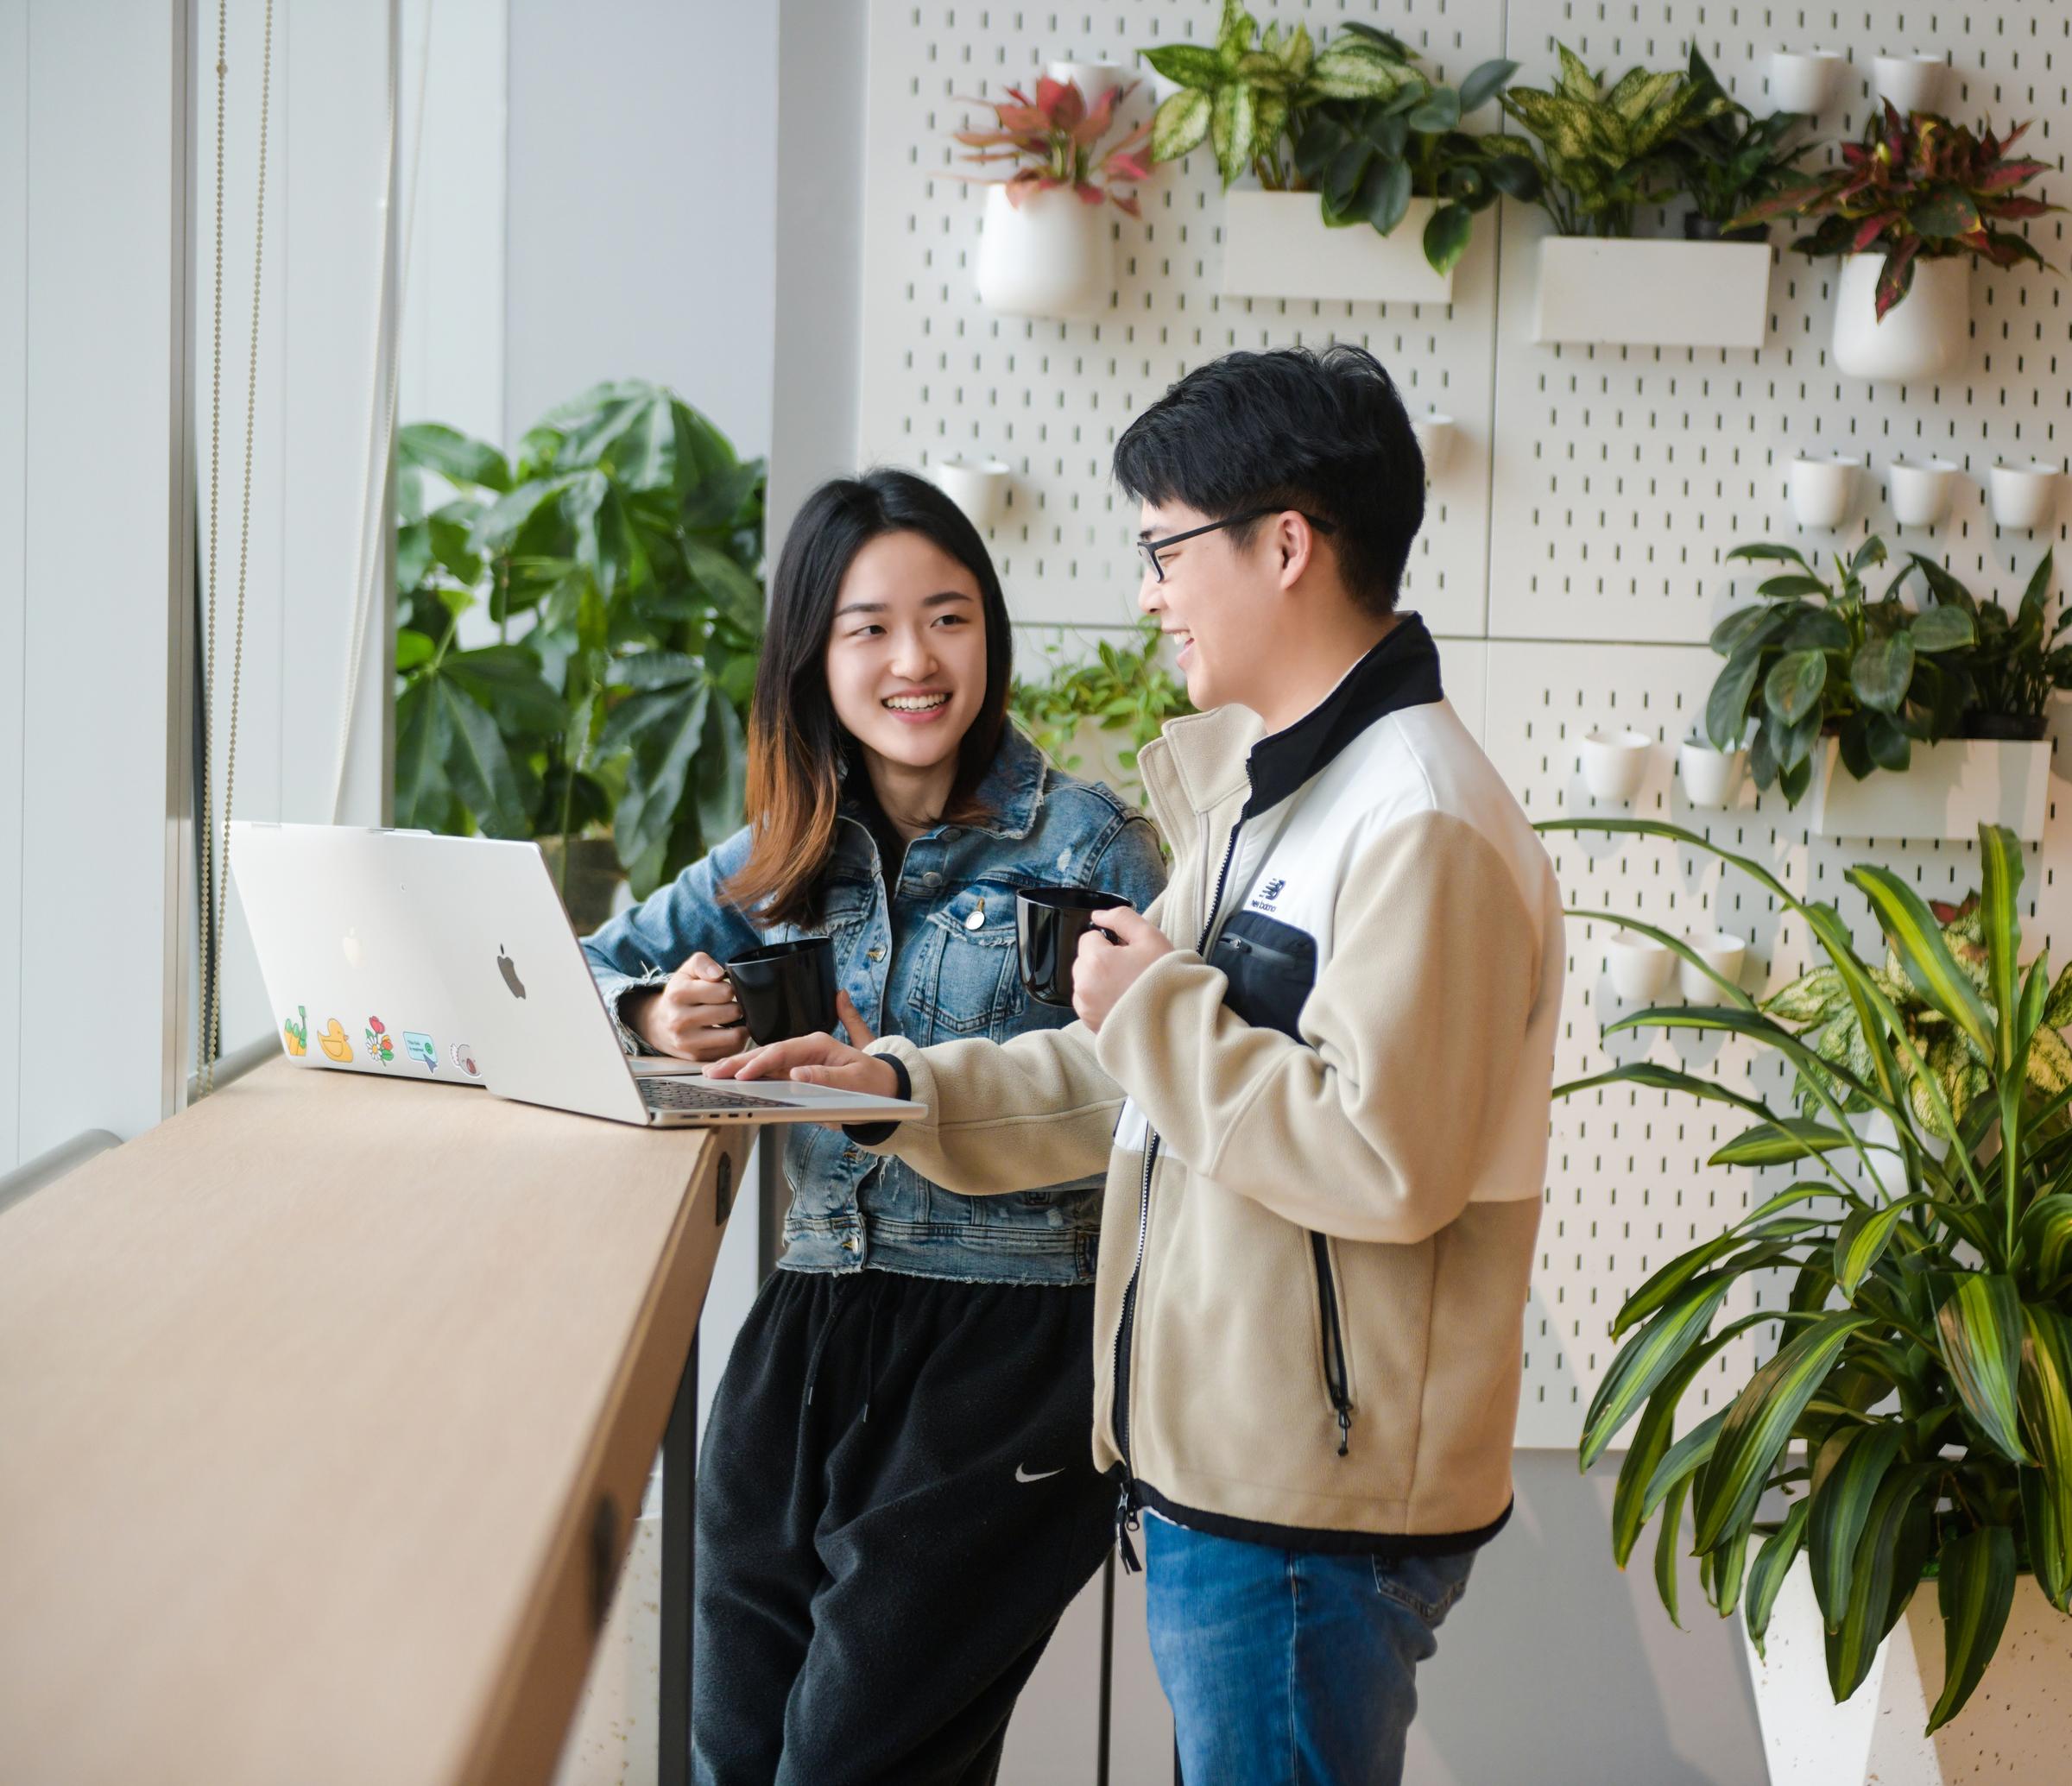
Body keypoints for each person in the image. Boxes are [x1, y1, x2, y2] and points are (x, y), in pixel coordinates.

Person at [711, 346, 1566, 1785]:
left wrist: (1157, 1010)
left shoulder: (1419, 820)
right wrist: (900, 1093)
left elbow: (1385, 1160)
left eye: (1168, 548)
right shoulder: (1270, 801)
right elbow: (1125, 1074)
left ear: (1285, 544)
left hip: (1311, 1506)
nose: (1153, 590)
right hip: (1224, 1471)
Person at [580, 467, 1167, 1784]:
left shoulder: (1093, 847)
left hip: (1008, 1350)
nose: (916, 659)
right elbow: (574, 969)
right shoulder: (781, 851)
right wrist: (650, 1008)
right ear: (813, 654)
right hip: (805, 1330)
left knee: (849, 1764)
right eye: (870, 628)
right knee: (739, 1755)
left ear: (990, 635)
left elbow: (1160, 1084)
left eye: (950, 617)